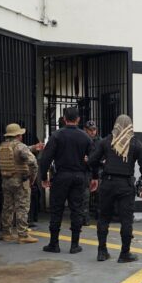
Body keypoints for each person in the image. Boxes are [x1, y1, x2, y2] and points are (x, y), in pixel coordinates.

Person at [89, 115, 142, 263]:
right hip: (126, 186)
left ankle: (102, 252)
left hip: (107, 184)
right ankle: (124, 254)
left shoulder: (106, 141)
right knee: (126, 220)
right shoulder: (135, 143)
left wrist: (97, 174)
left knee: (103, 218)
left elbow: (92, 160)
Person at [38, 106, 93, 254]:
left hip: (61, 176)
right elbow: (93, 158)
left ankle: (54, 244)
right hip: (79, 176)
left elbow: (46, 158)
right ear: (78, 119)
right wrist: (93, 177)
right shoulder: (85, 137)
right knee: (77, 210)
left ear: (64, 119)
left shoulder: (56, 136)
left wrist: (43, 177)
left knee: (56, 209)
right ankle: (74, 245)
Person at [0, 123, 39, 244]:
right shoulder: (21, 146)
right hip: (21, 181)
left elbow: (18, 151)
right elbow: (33, 163)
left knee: (7, 207)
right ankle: (23, 235)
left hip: (6, 181)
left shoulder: (3, 146)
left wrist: (33, 147)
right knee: (22, 207)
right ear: (18, 135)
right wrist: (33, 177)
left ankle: (7, 233)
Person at [83, 120, 102, 224]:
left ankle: (99, 216)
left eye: (94, 129)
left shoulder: (100, 141)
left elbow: (104, 156)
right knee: (85, 195)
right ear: (85, 130)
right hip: (85, 170)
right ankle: (85, 218)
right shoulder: (82, 140)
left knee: (99, 195)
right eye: (90, 130)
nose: (92, 132)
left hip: (98, 170)